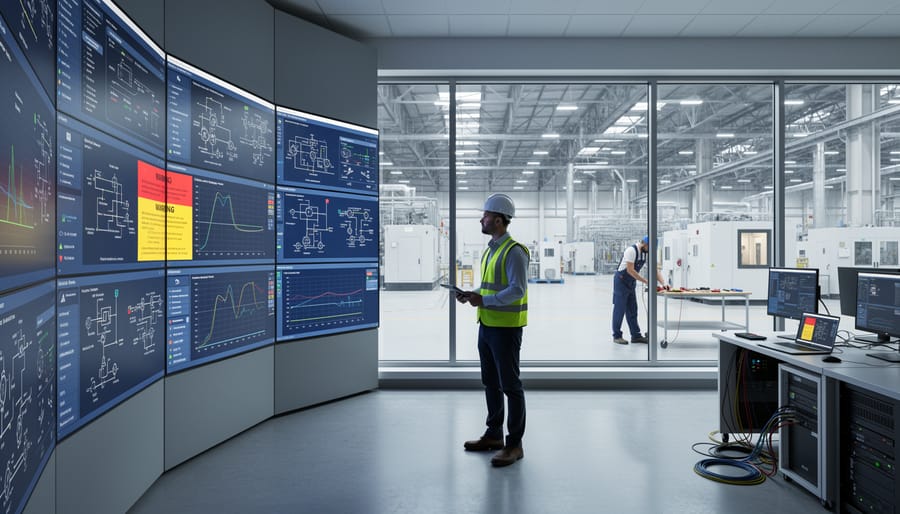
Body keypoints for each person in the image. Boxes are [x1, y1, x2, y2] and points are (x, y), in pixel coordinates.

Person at [455, 193, 529, 468]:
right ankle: (494, 435)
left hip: (506, 329)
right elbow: (489, 287)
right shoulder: (491, 250)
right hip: (486, 325)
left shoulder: (514, 251)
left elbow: (517, 290)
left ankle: (514, 444)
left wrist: (484, 300)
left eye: (485, 216)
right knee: (491, 383)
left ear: (498, 220)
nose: (481, 219)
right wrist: (471, 294)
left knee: (511, 386)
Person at [612, 235, 668, 345]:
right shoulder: (631, 251)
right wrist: (646, 281)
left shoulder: (646, 253)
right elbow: (630, 270)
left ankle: (636, 336)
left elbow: (655, 270)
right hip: (621, 281)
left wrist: (664, 283)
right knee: (620, 310)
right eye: (650, 248)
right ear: (645, 244)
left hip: (631, 282)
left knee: (633, 310)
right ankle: (617, 336)